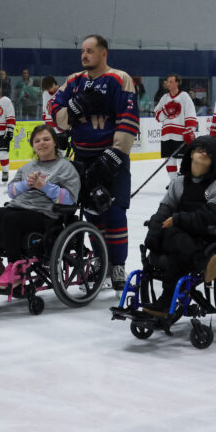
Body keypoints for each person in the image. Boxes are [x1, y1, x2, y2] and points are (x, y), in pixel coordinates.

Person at [51, 34, 139, 290]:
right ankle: (100, 261)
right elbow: (56, 114)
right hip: (82, 159)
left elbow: (128, 119)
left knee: (115, 212)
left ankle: (118, 265)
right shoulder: (73, 81)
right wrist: (73, 109)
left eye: (90, 51)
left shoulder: (120, 79)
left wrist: (115, 154)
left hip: (112, 158)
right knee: (91, 213)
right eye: (82, 51)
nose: (84, 55)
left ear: (103, 53)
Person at [0, 124, 81, 288]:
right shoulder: (28, 167)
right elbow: (11, 191)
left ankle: (15, 268)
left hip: (45, 214)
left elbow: (70, 198)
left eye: (46, 139)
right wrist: (26, 184)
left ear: (54, 142)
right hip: (18, 208)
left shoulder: (65, 167)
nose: (41, 143)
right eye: (37, 141)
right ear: (33, 146)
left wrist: (44, 186)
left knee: (10, 219)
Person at [141, 136, 216, 318]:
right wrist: (154, 231)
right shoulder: (179, 182)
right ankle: (199, 261)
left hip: (206, 238)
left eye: (209, 152)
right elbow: (164, 209)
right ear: (191, 153)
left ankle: (166, 301)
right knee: (163, 234)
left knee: (174, 239)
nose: (203, 153)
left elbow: (212, 217)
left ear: (215, 159)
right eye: (200, 149)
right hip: (181, 236)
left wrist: (178, 219)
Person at [154, 74, 197, 180]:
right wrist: (166, 110)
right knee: (169, 160)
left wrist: (189, 130)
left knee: (183, 160)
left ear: (177, 83)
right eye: (167, 82)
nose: (168, 84)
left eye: (171, 82)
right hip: (166, 135)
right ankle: (173, 181)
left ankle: (183, 181)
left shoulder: (184, 96)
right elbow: (158, 117)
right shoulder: (164, 98)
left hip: (180, 135)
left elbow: (190, 113)